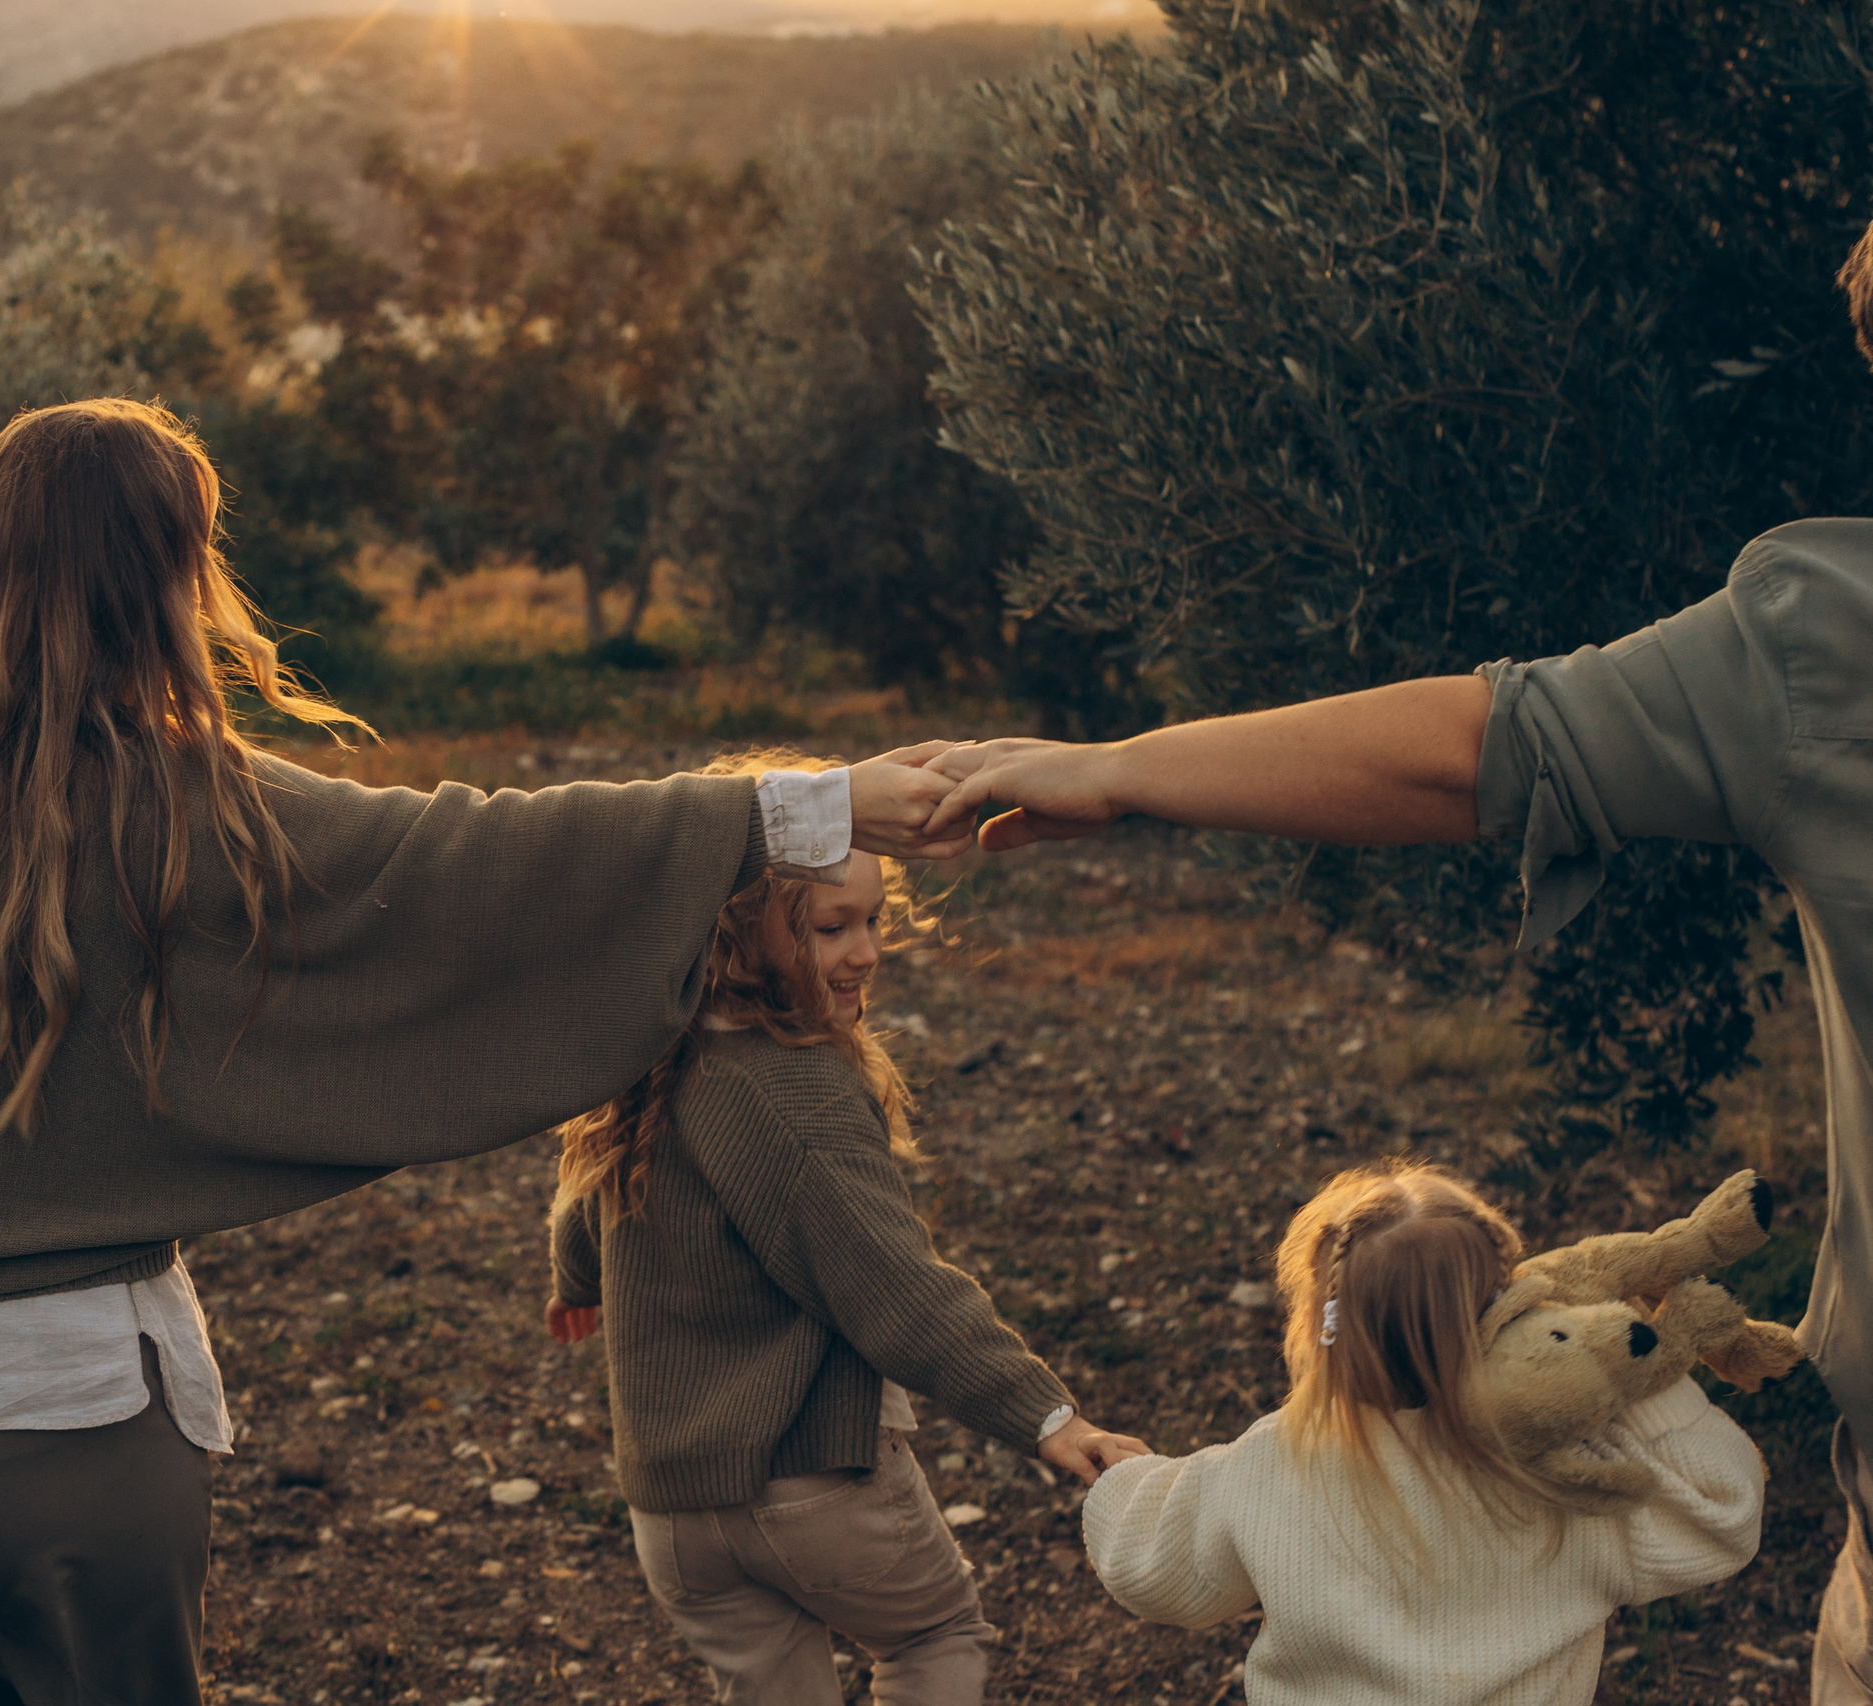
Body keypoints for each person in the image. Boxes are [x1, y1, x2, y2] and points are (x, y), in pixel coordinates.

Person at [0, 400, 976, 1706]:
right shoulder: (174, 800)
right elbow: (466, 861)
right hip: (58, 1432)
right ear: (161, 581)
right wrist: (811, 804)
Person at [919, 225, 1873, 1703]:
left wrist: (1118, 769)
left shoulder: (1837, 648)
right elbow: (1714, 1515)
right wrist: (1645, 1369)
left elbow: (1481, 750)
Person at [545, 749, 1148, 1706]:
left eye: (873, 919)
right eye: (832, 927)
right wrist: (1045, 1415)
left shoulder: (647, 1059)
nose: (867, 950)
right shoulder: (794, 1093)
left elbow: (589, 1201)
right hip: (810, 1483)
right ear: (737, 936)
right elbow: (894, 1286)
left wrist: (575, 1283)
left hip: (673, 1513)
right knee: (935, 1638)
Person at [1082, 1160, 1764, 1705]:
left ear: (1326, 1329)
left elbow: (1154, 1570)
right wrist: (1627, 1382)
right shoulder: (1572, 1477)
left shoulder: (1272, 1462)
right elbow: (1725, 1510)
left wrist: (1120, 1482)